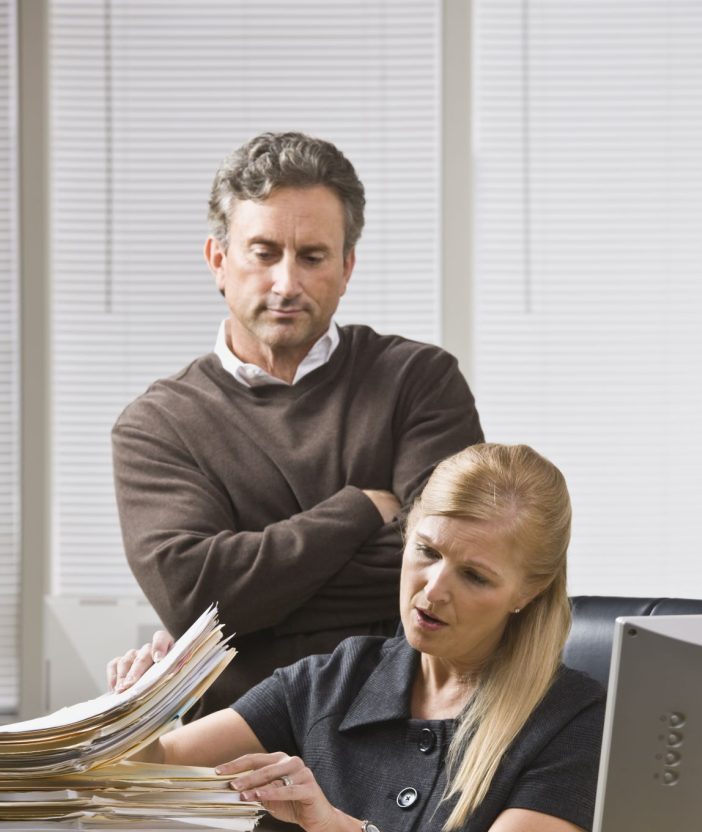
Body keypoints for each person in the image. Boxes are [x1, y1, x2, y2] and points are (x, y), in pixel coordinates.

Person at [108, 443, 605, 832]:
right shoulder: (335, 679)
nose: (433, 591)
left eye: (474, 576)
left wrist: (335, 828)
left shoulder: (572, 719)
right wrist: (135, 717)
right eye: (426, 552)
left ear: (528, 592)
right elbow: (154, 771)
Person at [111, 130, 483, 719]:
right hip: (234, 744)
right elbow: (197, 597)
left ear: (346, 266)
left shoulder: (418, 381)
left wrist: (251, 605)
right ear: (219, 261)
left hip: (406, 731)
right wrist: (360, 509)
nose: (288, 283)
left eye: (312, 256)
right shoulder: (158, 425)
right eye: (263, 253)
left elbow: (453, 569)